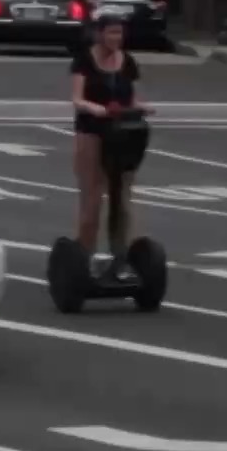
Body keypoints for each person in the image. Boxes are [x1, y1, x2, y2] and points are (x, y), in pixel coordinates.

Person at [69, 15, 147, 279]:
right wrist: (95, 108)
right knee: (92, 201)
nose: (117, 38)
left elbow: (133, 99)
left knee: (122, 200)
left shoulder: (128, 62)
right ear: (100, 34)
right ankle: (84, 259)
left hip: (123, 135)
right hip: (91, 132)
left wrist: (142, 108)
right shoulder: (84, 60)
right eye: (112, 33)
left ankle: (120, 257)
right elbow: (77, 99)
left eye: (120, 33)